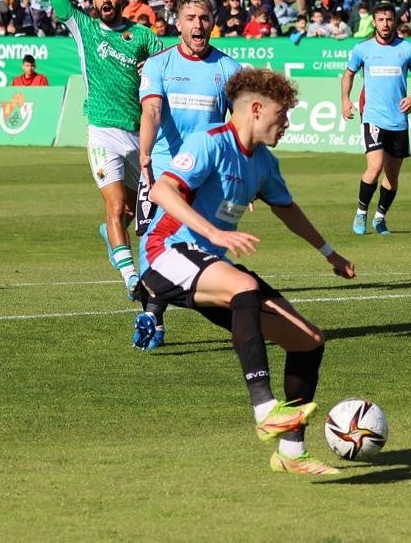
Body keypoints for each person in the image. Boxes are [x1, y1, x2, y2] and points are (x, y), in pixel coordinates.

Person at [142, 67, 354, 476]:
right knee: (243, 284)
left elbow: (287, 210)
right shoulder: (209, 143)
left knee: (309, 340)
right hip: (166, 253)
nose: (287, 124)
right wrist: (213, 233)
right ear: (256, 110)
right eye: (282, 115)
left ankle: (291, 452)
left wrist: (330, 253)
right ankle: (264, 409)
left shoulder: (264, 163)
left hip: (210, 265)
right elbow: (161, 190)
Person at [21, 0, 164, 301]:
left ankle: (112, 237)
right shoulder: (84, 28)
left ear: (122, 0)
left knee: (139, 214)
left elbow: (170, 65)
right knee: (115, 206)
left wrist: (152, 65)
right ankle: (132, 280)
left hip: (142, 136)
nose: (105, 0)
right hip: (102, 130)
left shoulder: (141, 36)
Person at [132, 0, 242, 351]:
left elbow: (239, 127)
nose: (198, 24)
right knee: (157, 245)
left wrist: (244, 176)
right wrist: (145, 154)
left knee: (200, 248)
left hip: (209, 178)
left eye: (204, 18)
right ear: (177, 23)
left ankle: (157, 313)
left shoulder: (228, 69)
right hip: (163, 172)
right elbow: (150, 112)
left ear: (212, 23)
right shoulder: (159, 65)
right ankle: (155, 317)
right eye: (190, 17)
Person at [339, 0, 411, 236]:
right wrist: (345, 100)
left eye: (389, 19)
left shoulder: (408, 49)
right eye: (381, 19)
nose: (385, 24)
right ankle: (361, 212)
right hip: (372, 117)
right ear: (375, 22)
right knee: (375, 167)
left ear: (395, 21)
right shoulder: (362, 49)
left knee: (392, 177)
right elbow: (348, 75)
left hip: (398, 120)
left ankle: (380, 218)